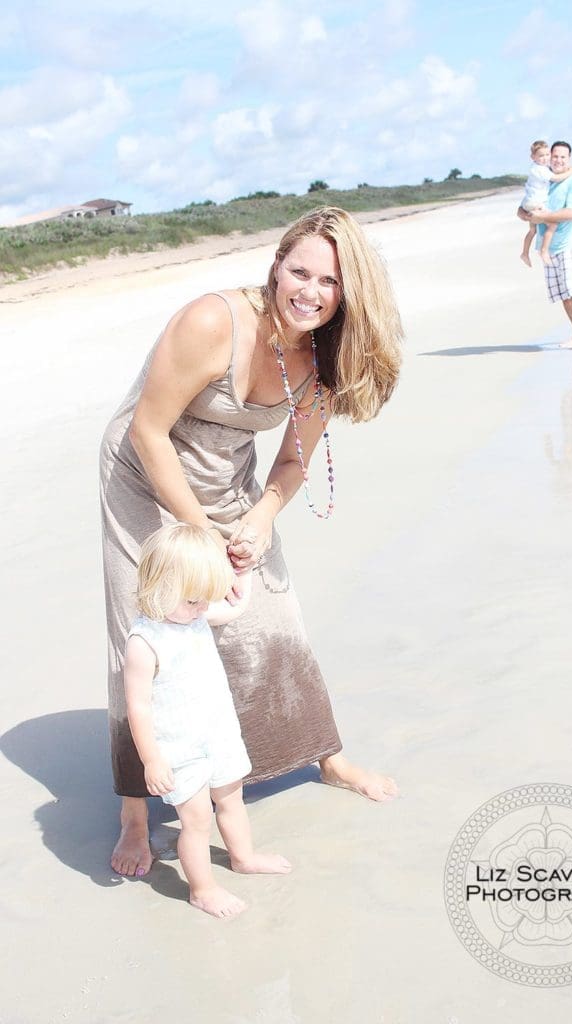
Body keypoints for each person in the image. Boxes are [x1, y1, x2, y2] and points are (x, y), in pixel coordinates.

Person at [101, 206, 404, 877]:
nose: (310, 291)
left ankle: (324, 757)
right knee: (145, 632)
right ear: (275, 266)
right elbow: (150, 432)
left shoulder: (326, 357)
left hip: (225, 475)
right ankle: (132, 813)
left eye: (329, 282)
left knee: (271, 612)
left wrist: (263, 513)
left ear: (348, 293)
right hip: (142, 474)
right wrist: (201, 537)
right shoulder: (213, 321)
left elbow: (292, 462)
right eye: (299, 271)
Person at [125, 523, 291, 916]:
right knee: (196, 820)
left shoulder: (194, 616)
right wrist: (152, 759)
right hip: (179, 748)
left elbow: (234, 606)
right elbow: (139, 708)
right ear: (159, 587)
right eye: (192, 601)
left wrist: (243, 574)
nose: (201, 609)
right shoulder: (145, 642)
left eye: (204, 601)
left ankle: (243, 856)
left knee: (232, 798)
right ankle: (201, 888)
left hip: (218, 732)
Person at [518, 140, 572, 349]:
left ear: (569, 159)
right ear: (549, 157)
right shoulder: (544, 179)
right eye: (555, 156)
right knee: (563, 294)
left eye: (563, 157)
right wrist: (527, 215)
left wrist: (545, 217)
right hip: (548, 247)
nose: (558, 160)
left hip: (569, 243)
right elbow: (521, 209)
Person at [519, 140, 572, 267]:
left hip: (529, 201)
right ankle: (544, 250)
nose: (545, 158)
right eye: (541, 156)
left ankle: (524, 253)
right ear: (533, 157)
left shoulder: (536, 168)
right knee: (552, 224)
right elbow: (556, 178)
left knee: (532, 230)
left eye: (547, 155)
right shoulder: (542, 170)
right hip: (535, 203)